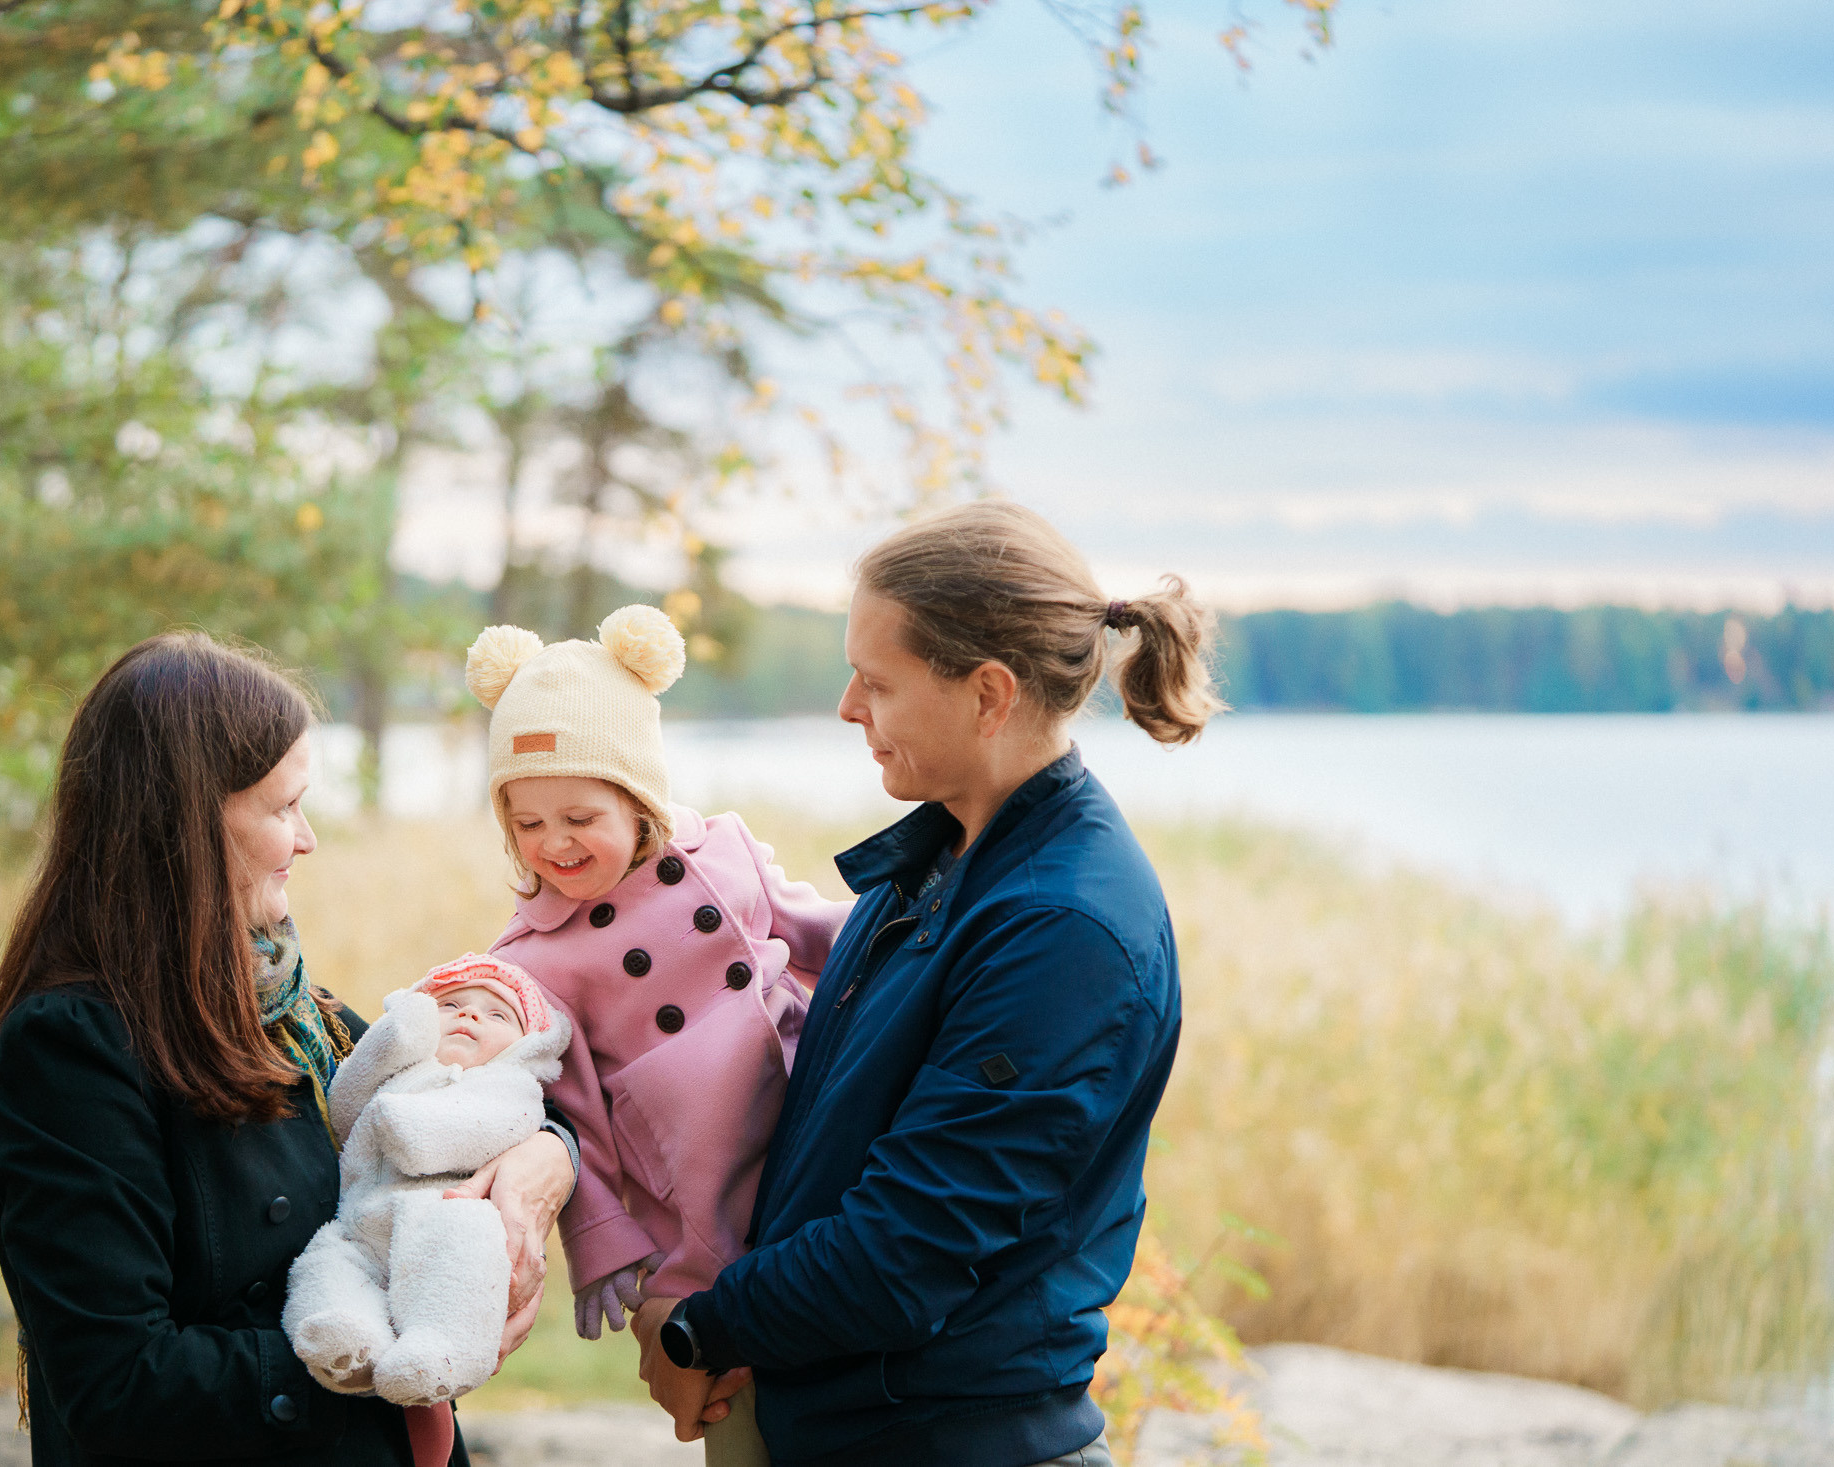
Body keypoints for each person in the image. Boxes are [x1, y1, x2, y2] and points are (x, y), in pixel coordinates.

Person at [632, 501, 1223, 1467]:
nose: (847, 707)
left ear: (988, 694)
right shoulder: (945, 857)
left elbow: (908, 1249)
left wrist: (701, 1329)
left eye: (878, 681)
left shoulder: (1061, 927)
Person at [0, 632, 578, 1466]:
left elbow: (471, 1090)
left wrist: (547, 1160)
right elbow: (117, 1385)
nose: (308, 837)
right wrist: (383, 1345)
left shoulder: (293, 1009)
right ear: (185, 823)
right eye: (283, 807)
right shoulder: (67, 1053)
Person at [464, 605, 852, 1465]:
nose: (554, 843)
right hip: (692, 1172)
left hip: (801, 1104)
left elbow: (820, 928)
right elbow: (570, 1120)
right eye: (527, 824)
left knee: (830, 1318)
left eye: (579, 815)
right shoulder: (538, 959)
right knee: (731, 1373)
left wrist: (905, 930)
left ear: (639, 799)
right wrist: (602, 1243)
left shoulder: (722, 852)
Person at [283, 954, 571, 1430]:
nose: (470, 1015)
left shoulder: (510, 1086)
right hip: (364, 1223)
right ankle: (348, 1341)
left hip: (445, 1216)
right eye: (450, 1003)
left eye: (498, 1014)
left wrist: (404, 1127)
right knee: (325, 1261)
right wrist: (394, 1039)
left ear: (526, 1045)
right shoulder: (399, 1075)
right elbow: (344, 1105)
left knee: (466, 1242)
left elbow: (482, 1130)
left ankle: (441, 1351)